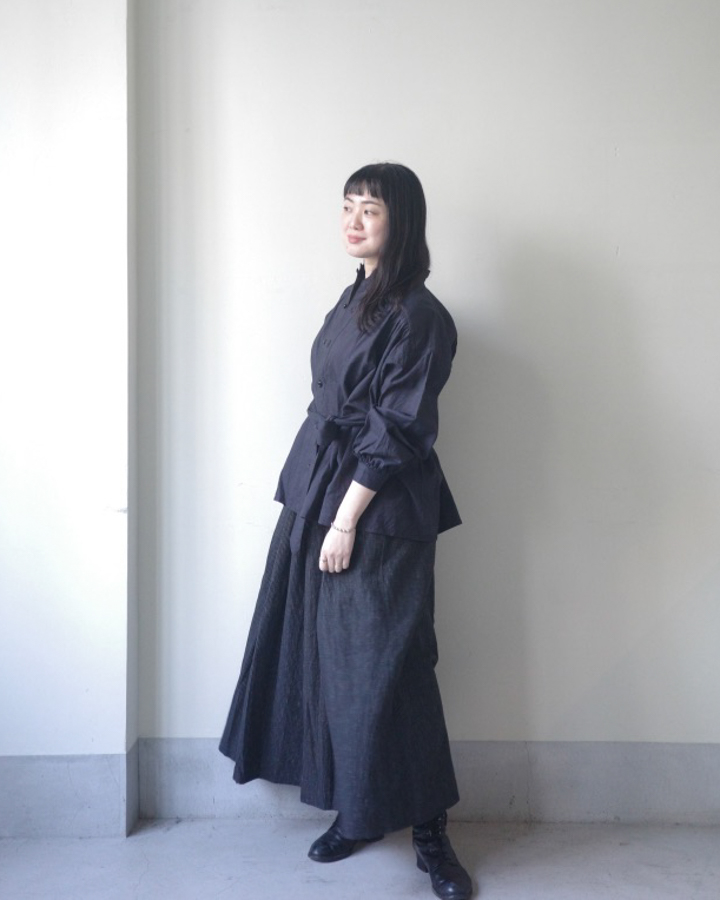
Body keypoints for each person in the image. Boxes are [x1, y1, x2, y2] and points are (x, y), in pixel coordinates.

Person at [219, 162, 472, 900]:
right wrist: (320, 507)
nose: (353, 221)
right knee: (329, 665)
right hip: (319, 488)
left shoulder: (421, 315)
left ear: (403, 221)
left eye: (371, 209)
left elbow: (400, 427)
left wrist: (345, 519)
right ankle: (358, 812)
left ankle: (431, 837)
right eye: (347, 206)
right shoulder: (354, 295)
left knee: (390, 670)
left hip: (376, 509)